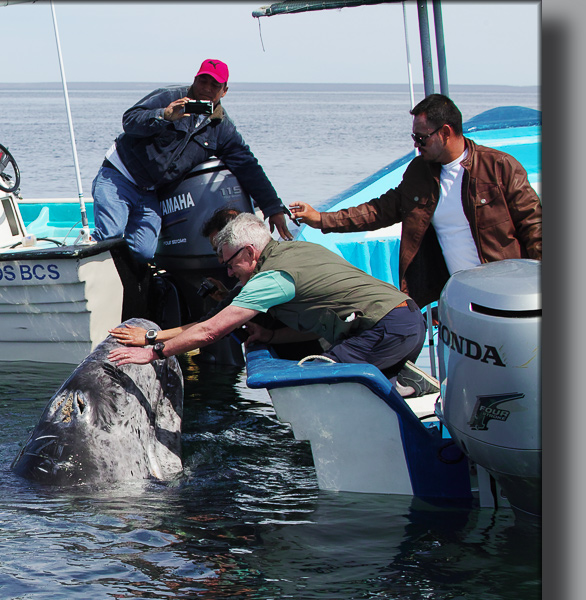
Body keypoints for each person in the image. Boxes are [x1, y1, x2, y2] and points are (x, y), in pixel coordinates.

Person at [108, 213, 429, 394]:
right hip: (407, 319)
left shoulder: (271, 277)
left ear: (249, 252)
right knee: (349, 376)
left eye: (231, 262)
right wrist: (272, 338)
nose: (229, 271)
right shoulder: (300, 250)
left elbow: (210, 331)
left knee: (316, 381)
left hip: (386, 328)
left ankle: (403, 385)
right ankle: (403, 384)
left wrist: (152, 352)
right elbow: (323, 317)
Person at [287, 94, 541, 308]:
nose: (417, 146)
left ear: (445, 132)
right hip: (456, 296)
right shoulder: (419, 172)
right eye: (414, 139)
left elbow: (535, 225)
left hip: (506, 294)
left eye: (421, 138)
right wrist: (321, 219)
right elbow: (380, 210)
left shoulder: (499, 167)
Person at [91, 58, 292, 270]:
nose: (206, 88)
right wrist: (164, 115)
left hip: (150, 192)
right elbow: (130, 120)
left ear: (224, 91)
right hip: (119, 175)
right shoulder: (169, 97)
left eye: (214, 85)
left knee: (144, 252)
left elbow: (247, 166)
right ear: (194, 80)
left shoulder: (221, 128)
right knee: (110, 237)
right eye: (203, 81)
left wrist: (273, 207)